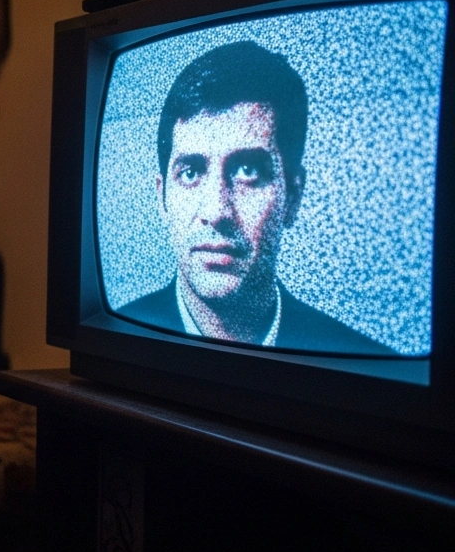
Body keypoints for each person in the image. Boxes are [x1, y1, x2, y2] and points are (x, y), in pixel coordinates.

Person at [118, 40, 393, 354]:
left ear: (292, 196)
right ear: (162, 198)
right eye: (191, 173)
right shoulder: (117, 333)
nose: (217, 210)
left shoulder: (356, 360)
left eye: (248, 170)